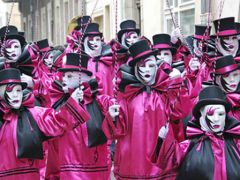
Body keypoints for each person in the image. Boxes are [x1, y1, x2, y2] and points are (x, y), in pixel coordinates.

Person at [103, 39, 190, 179]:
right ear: (135, 67)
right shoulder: (127, 95)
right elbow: (116, 132)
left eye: (151, 65)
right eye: (142, 66)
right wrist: (112, 117)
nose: (147, 70)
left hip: (160, 161)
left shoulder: (164, 92)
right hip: (133, 161)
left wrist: (177, 85)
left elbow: (179, 112)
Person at [0, 68, 89, 179]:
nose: (15, 95)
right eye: (10, 91)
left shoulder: (34, 114)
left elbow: (58, 120)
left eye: (18, 90)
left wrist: (73, 102)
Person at [152, 85, 240, 180]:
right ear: (201, 115)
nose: (216, 119)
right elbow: (169, 161)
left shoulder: (236, 143)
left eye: (220, 114)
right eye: (210, 113)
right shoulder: (190, 145)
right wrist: (162, 139)